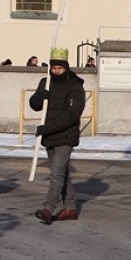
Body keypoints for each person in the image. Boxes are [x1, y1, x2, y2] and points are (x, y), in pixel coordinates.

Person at [30, 49, 85, 223]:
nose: (56, 71)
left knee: (56, 173)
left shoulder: (75, 86)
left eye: (60, 68)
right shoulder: (45, 82)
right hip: (50, 136)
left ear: (66, 68)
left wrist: (48, 128)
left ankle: (48, 208)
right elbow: (35, 105)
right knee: (62, 173)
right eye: (54, 68)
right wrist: (40, 96)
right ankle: (70, 208)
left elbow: (72, 114)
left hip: (66, 135)